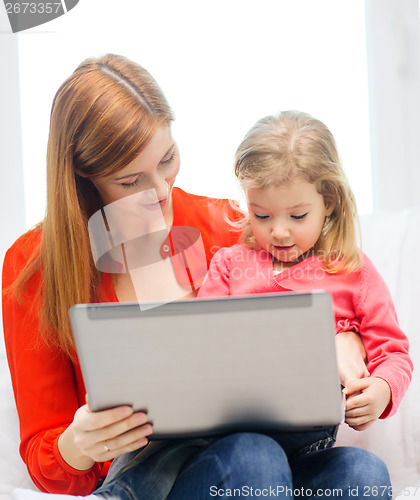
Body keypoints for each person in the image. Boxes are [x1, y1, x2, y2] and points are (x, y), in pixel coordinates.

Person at [1, 55, 392, 499]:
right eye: (131, 181)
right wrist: (80, 443)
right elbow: (44, 456)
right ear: (84, 178)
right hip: (159, 476)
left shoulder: (223, 227)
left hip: (269, 466)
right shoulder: (34, 267)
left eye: (167, 159)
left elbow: (327, 281)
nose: (161, 190)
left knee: (361, 472)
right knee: (252, 459)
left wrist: (345, 337)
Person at [198, 110, 413, 432]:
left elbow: (393, 352)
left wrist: (382, 390)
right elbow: (201, 347)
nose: (279, 232)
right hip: (240, 430)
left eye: (297, 216)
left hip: (310, 438)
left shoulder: (353, 270)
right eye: (261, 216)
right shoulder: (229, 264)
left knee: (366, 472)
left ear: (328, 201)